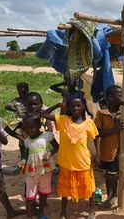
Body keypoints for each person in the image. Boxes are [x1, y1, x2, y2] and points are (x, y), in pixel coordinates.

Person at [41, 91, 100, 219]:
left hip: (83, 161)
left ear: (83, 106)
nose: (75, 108)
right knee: (64, 189)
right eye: (72, 106)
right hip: (66, 162)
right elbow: (43, 114)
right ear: (68, 107)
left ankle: (91, 210)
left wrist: (98, 155)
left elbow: (96, 138)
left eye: (78, 105)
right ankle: (63, 212)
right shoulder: (62, 120)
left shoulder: (89, 123)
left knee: (89, 187)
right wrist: (58, 105)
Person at [94, 85, 124, 208]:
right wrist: (114, 130)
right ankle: (111, 195)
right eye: (119, 95)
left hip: (120, 150)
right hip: (107, 150)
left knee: (112, 174)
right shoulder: (101, 113)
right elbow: (97, 133)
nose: (122, 97)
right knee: (109, 175)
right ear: (110, 97)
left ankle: (113, 195)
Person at [19, 114, 59, 219]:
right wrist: (23, 161)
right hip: (31, 172)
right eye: (26, 128)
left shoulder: (47, 136)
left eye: (32, 127)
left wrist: (50, 153)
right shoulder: (26, 141)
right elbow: (26, 154)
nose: (30, 130)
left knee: (44, 192)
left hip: (46, 170)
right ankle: (29, 216)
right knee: (29, 195)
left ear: (39, 125)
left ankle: (41, 212)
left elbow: (56, 146)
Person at [4, 82, 29, 157]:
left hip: (31, 119)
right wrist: (15, 110)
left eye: (23, 88)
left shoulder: (30, 98)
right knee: (7, 129)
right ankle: (23, 141)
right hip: (20, 119)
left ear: (27, 89)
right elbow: (7, 106)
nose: (22, 90)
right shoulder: (16, 100)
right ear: (17, 90)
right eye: (20, 88)